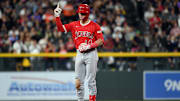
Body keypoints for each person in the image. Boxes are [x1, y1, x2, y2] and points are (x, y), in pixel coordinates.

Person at [54, 3, 104, 101]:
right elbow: (60, 28)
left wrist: (89, 46)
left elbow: (101, 40)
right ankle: (80, 99)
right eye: (80, 13)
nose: (81, 15)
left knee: (90, 80)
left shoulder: (95, 26)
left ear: (88, 14)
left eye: (83, 13)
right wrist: (57, 17)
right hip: (79, 53)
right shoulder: (74, 24)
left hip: (91, 53)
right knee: (78, 80)